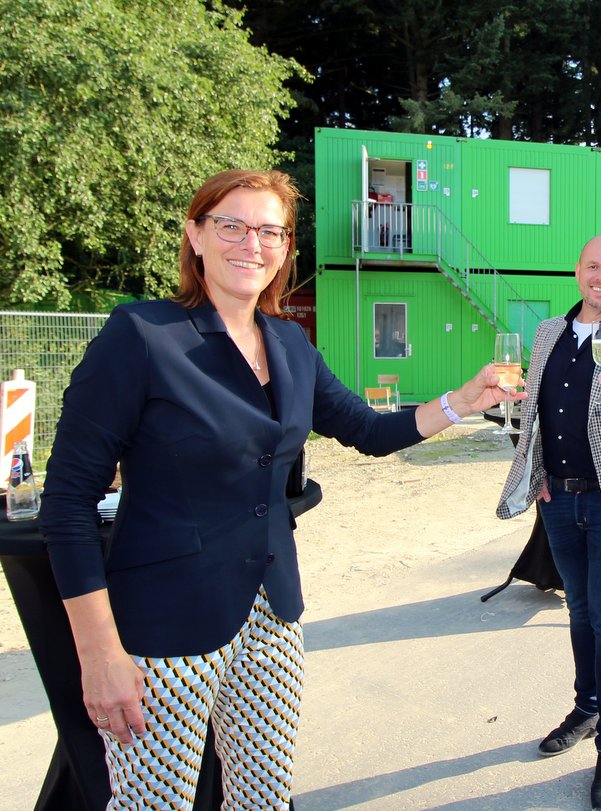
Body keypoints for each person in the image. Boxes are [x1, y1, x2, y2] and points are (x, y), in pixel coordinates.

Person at [38, 169, 517, 809]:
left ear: (286, 248)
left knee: (264, 798)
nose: (251, 244)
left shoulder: (290, 342)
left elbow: (368, 431)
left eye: (270, 231)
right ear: (196, 235)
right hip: (165, 625)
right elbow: (67, 504)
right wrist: (99, 654)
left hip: (271, 616)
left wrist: (459, 402)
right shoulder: (142, 338)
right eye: (231, 225)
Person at [496, 234, 601, 811]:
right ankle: (587, 707)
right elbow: (532, 411)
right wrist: (533, 470)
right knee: (580, 610)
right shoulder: (547, 334)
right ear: (578, 271)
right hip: (560, 500)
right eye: (593, 266)